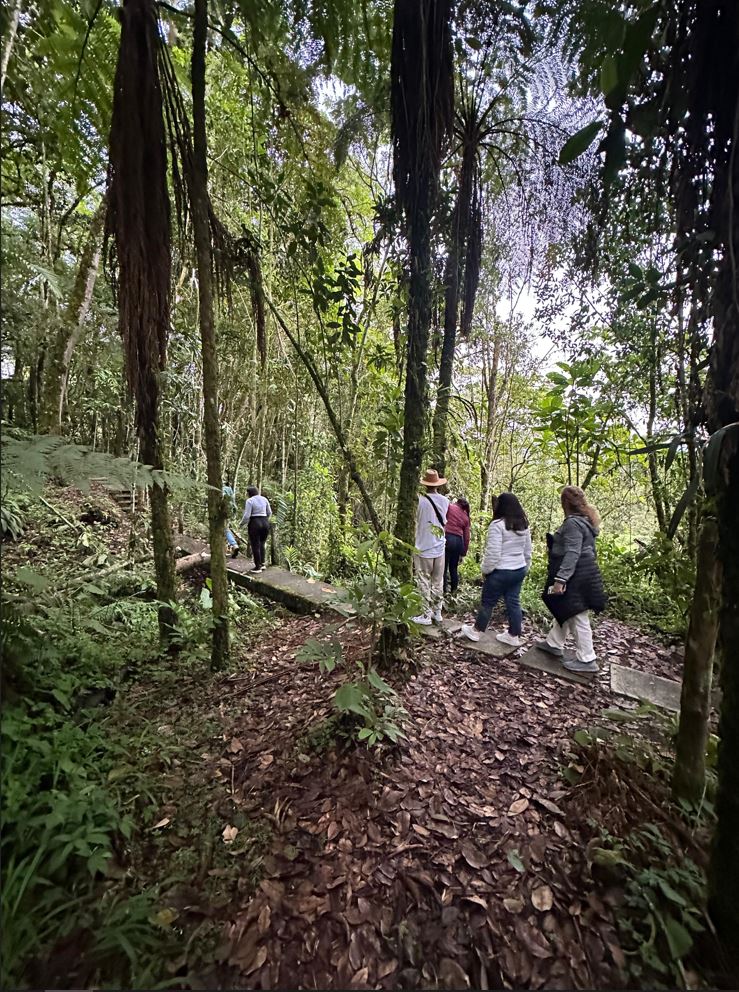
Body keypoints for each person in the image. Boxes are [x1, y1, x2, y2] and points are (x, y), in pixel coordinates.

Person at [537, 485, 607, 674]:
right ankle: (554, 643)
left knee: (577, 615)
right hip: (584, 572)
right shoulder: (585, 522)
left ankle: (587, 658)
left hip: (576, 575)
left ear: (565, 503)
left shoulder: (573, 524)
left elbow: (572, 553)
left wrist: (561, 579)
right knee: (566, 608)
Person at [461, 492, 532, 646]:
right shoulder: (523, 524)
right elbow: (528, 552)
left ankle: (476, 631)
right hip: (519, 569)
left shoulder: (497, 525)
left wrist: (486, 570)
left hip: (501, 571)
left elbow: (493, 553)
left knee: (488, 602)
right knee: (513, 602)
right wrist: (525, 568)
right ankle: (514, 635)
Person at [412, 468, 450, 625]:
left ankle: (426, 614)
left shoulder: (419, 501)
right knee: (438, 581)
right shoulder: (445, 501)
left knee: (423, 581)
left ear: (425, 484)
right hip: (440, 546)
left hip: (423, 546)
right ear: (437, 484)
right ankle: (437, 612)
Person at [240, 485, 272, 573]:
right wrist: (265, 519)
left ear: (249, 493)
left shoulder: (250, 501)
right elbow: (269, 512)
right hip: (265, 522)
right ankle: (262, 564)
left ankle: (257, 567)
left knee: (255, 545)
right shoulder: (264, 499)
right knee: (262, 543)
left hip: (255, 523)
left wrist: (241, 524)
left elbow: (247, 516)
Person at [444, 497, 471, 595]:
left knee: (444, 567)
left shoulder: (449, 507)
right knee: (453, 568)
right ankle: (454, 592)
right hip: (458, 541)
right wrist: (463, 552)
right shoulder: (466, 517)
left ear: (457, 502)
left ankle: (443, 592)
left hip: (447, 538)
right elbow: (467, 537)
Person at [222, 478, 239, 558]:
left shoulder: (221, 489)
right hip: (229, 512)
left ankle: (233, 545)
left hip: (222, 512)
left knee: (224, 530)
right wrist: (234, 513)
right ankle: (229, 547)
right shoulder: (230, 490)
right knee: (225, 529)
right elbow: (234, 503)